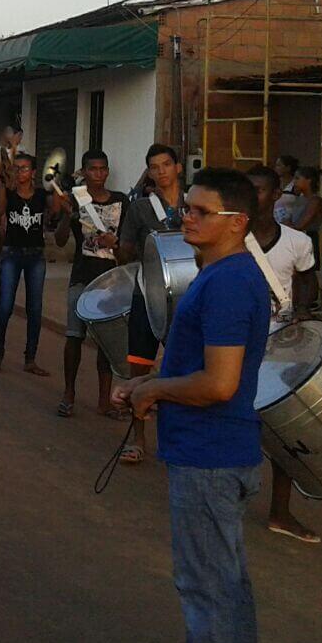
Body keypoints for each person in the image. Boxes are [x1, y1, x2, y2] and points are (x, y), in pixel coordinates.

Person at [114, 168, 268, 643]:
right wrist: (147, 382)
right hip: (212, 452)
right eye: (188, 208)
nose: (188, 217)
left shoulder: (229, 283)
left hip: (210, 458)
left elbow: (220, 384)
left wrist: (156, 389)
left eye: (203, 212)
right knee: (224, 586)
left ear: (237, 221)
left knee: (208, 592)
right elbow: (199, 368)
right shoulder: (218, 274)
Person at [245, 165, 320, 544]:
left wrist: (302, 311)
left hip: (280, 346)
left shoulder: (297, 242)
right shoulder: (230, 238)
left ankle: (280, 511)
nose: (253, 196)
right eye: (248, 190)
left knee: (283, 428)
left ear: (276, 195)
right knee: (237, 421)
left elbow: (307, 282)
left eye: (260, 190)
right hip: (238, 345)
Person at [116, 143, 187, 465]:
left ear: (178, 167)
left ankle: (178, 439)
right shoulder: (140, 208)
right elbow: (125, 251)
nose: (161, 171)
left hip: (187, 298)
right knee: (139, 367)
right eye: (154, 167)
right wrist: (118, 247)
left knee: (185, 370)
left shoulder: (194, 203)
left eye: (166, 164)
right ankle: (138, 439)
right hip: (146, 295)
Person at [54, 149, 127, 417]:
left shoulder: (122, 201)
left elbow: (127, 247)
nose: (98, 174)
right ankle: (68, 393)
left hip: (111, 281)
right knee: (74, 336)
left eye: (102, 169)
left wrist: (115, 244)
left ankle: (103, 400)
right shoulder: (76, 200)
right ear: (84, 172)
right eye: (93, 169)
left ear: (108, 171)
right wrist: (66, 215)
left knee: (106, 343)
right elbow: (60, 240)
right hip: (82, 278)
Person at [0, 151, 67, 376]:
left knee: (35, 308)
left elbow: (56, 211)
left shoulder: (41, 195)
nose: (19, 172)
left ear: (33, 172)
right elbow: (0, 211)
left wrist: (57, 186)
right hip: (11, 253)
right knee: (5, 305)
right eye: (16, 168)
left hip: (35, 255)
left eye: (24, 168)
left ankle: (30, 358)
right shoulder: (9, 193)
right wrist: (3, 183)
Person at [271, 155, 300, 226]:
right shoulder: (274, 183)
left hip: (290, 222)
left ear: (288, 168)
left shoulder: (295, 184)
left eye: (279, 165)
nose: (276, 168)